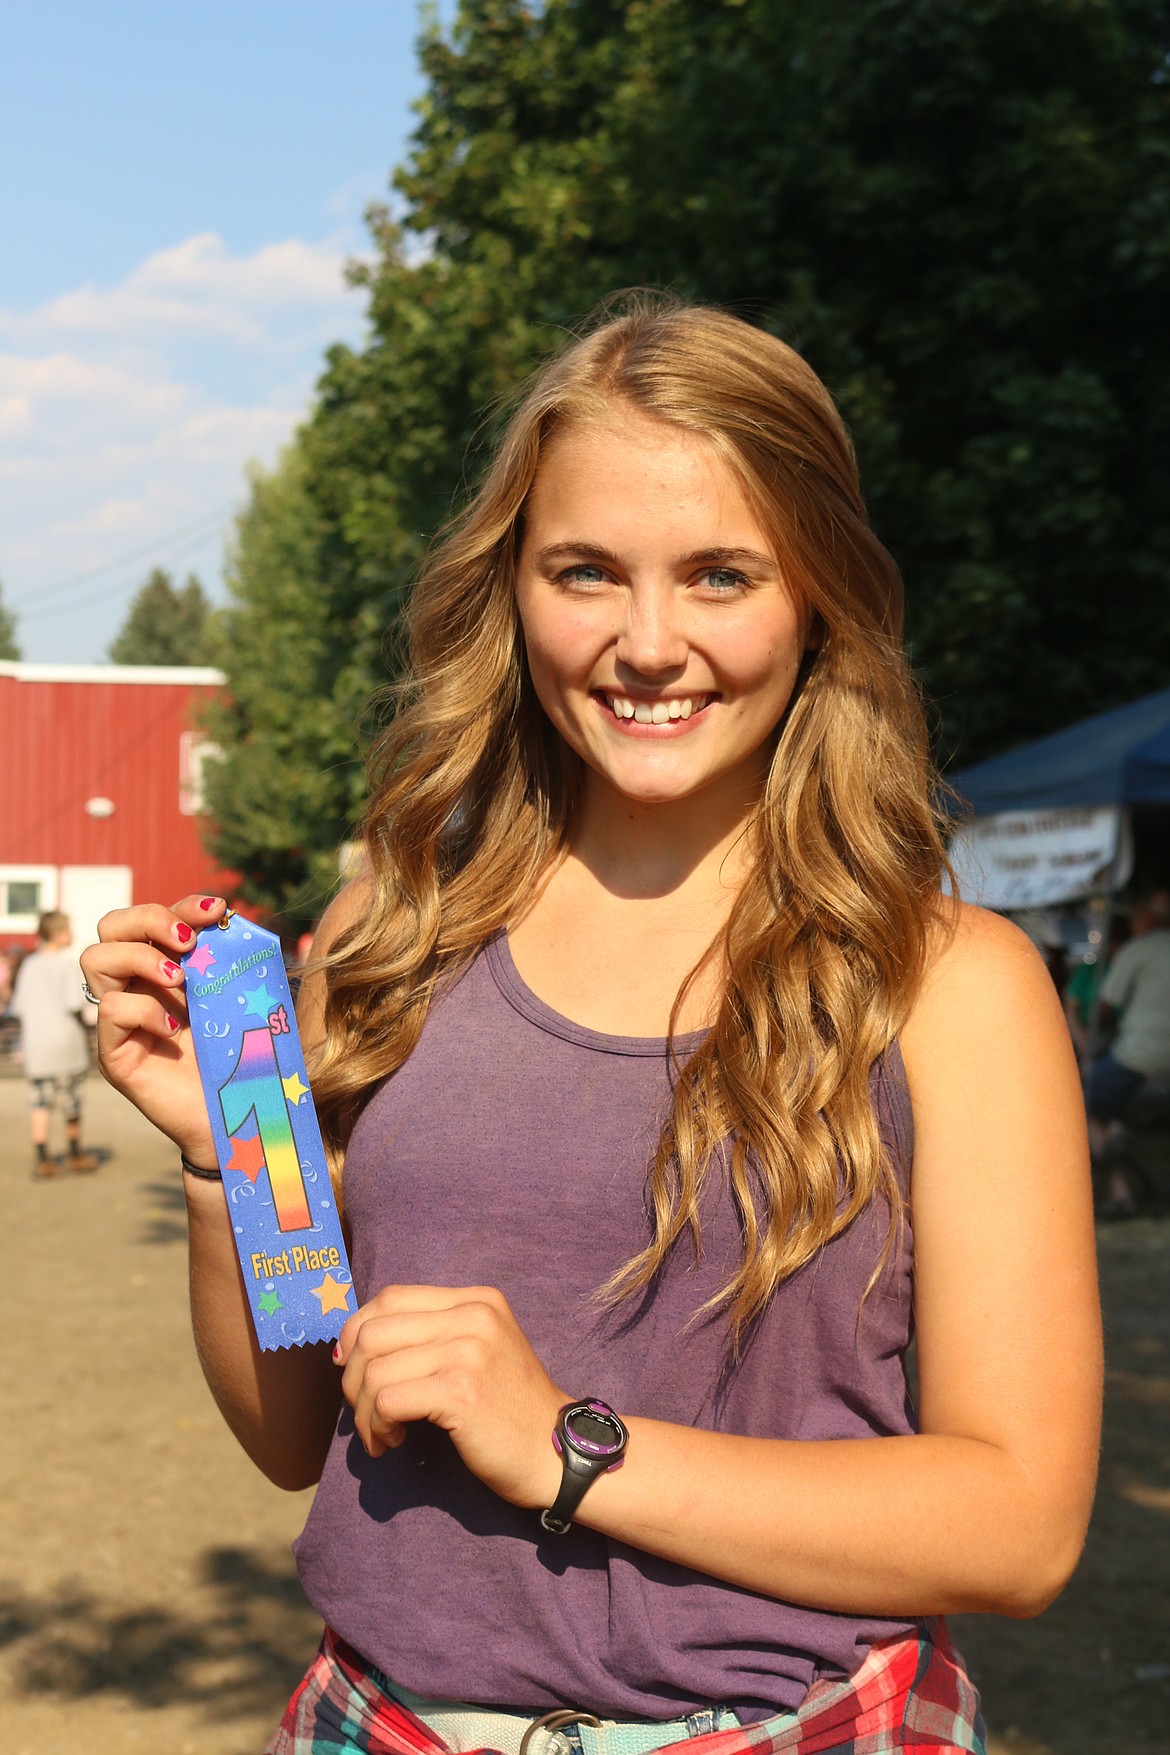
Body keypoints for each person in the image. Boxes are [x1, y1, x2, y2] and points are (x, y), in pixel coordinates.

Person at [81, 300, 1101, 1755]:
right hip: (376, 1724)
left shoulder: (949, 983)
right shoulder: (387, 938)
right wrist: (219, 1159)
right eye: (584, 572)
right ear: (510, 589)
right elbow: (291, 1427)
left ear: (816, 595)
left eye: (718, 574)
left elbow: (1019, 1526)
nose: (646, 641)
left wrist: (566, 1443)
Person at [1083, 887, 1170, 1213]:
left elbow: (1103, 1009)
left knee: (1082, 1101)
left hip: (1140, 1056)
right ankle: (1116, 1129)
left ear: (1146, 916)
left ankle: (1120, 1189)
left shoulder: (1137, 950)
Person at [12, 910, 97, 1177]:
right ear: (58, 932)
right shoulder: (65, 965)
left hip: (37, 1044)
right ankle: (74, 1154)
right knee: (71, 1099)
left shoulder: (29, 965)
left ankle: (43, 1158)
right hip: (66, 1043)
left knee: (40, 1101)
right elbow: (74, 1003)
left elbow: (19, 1007)